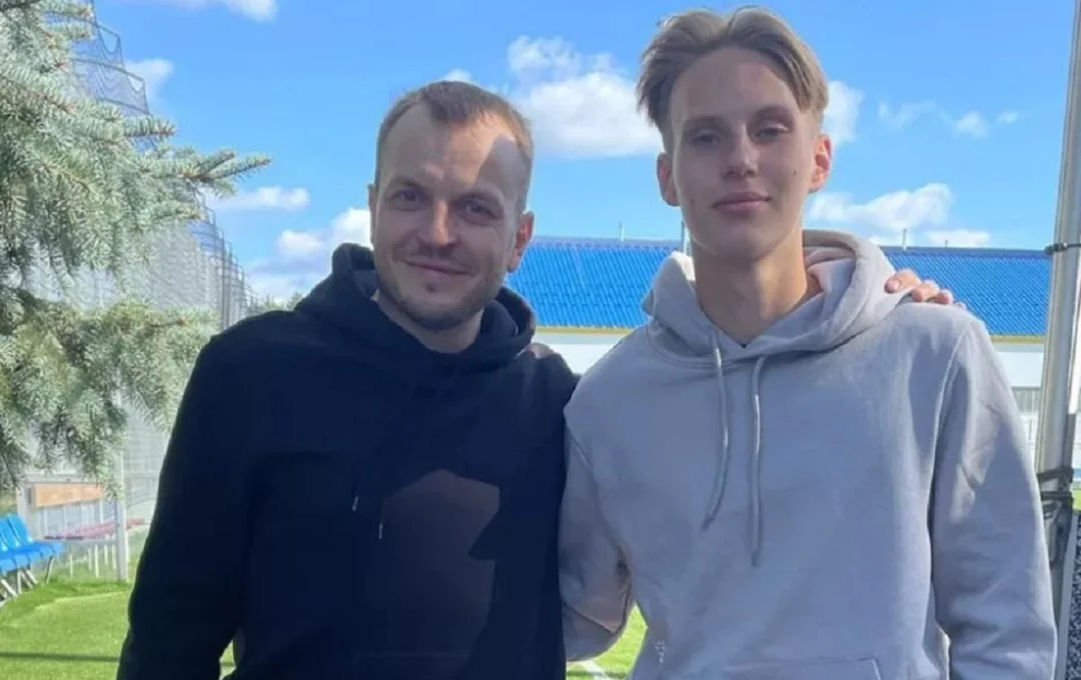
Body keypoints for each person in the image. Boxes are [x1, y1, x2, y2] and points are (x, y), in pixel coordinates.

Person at [116, 80, 954, 679]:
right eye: (411, 198)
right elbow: (169, 637)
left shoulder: (562, 402)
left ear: (519, 239)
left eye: (475, 208)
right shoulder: (253, 374)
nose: (437, 232)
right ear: (372, 208)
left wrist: (875, 312)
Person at [558, 7, 1056, 680]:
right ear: (667, 177)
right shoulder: (610, 401)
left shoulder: (937, 354)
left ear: (818, 158)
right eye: (705, 137)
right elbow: (575, 616)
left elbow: (1006, 624)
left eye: (769, 130)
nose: (741, 160)